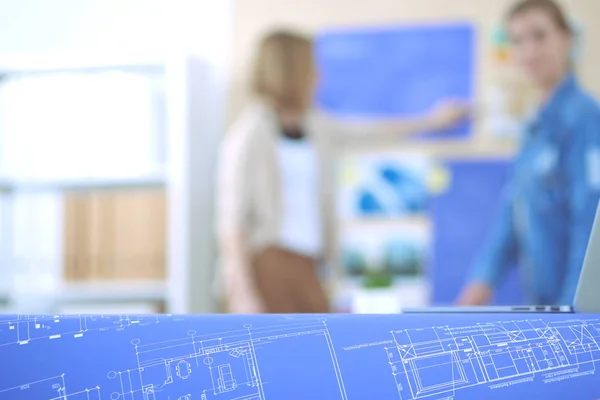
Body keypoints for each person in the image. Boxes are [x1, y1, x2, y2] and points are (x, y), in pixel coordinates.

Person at [217, 30, 469, 314]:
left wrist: (431, 121)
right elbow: (232, 224)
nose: (319, 74)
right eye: (311, 65)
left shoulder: (315, 125)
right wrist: (242, 293)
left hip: (307, 262)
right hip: (269, 263)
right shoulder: (249, 135)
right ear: (292, 70)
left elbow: (369, 132)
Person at [458, 0, 600, 306]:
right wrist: (477, 287)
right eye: (518, 40)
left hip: (576, 311)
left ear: (567, 39)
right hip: (545, 306)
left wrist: (574, 315)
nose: (529, 50)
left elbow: (588, 228)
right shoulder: (532, 127)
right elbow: (511, 215)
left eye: (540, 35)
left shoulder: (585, 118)